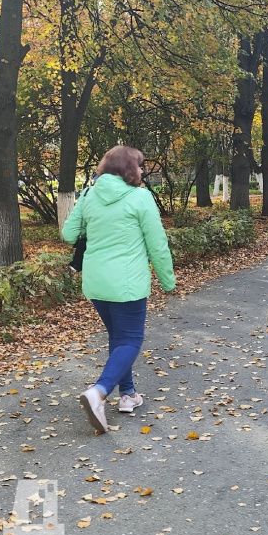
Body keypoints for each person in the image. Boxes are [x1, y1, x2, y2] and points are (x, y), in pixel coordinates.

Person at [62, 145, 176, 434]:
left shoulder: (89, 195)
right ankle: (99, 392)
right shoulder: (140, 198)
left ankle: (128, 395)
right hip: (127, 285)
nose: (141, 171)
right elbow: (157, 245)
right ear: (128, 170)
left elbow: (68, 234)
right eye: (139, 166)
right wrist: (168, 280)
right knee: (130, 340)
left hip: (96, 284)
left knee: (118, 338)